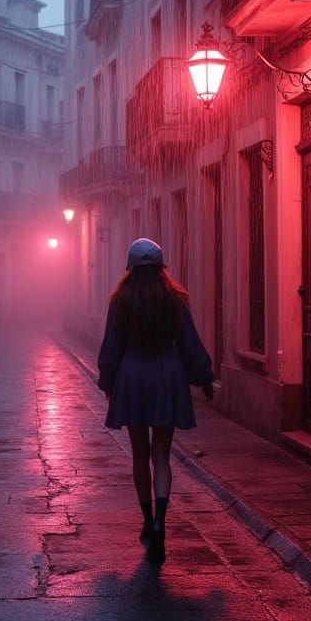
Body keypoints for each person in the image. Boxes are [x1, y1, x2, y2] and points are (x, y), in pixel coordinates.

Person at [97, 238, 215, 563]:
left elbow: (111, 349)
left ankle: (148, 522)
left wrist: (108, 382)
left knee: (139, 455)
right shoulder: (175, 300)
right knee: (161, 455)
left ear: (130, 268)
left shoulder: (120, 301)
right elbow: (189, 345)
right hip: (167, 376)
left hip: (133, 377)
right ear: (162, 267)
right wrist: (204, 377)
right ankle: (163, 520)